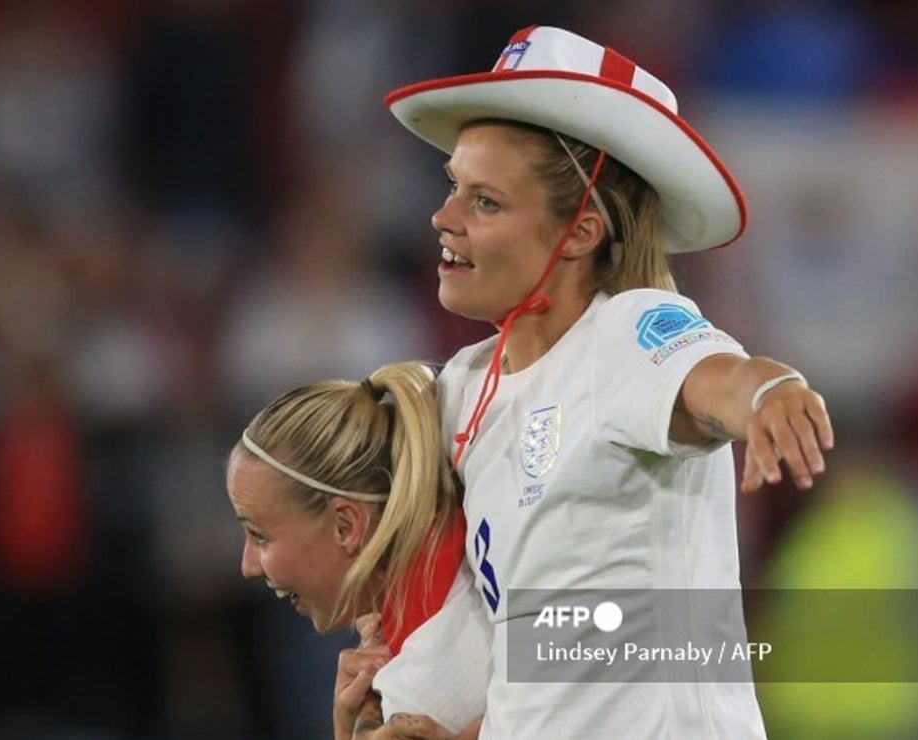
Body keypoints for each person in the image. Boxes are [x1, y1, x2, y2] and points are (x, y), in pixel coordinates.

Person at [353, 25, 835, 738]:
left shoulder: (625, 332)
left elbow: (717, 380)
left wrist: (769, 392)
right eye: (453, 187)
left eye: (485, 202)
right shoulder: (466, 386)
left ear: (579, 231)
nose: (442, 217)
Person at [225, 361, 489, 740]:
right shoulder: (484, 531)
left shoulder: (417, 698)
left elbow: (597, 652)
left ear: (346, 526)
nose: (247, 565)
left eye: (260, 536)